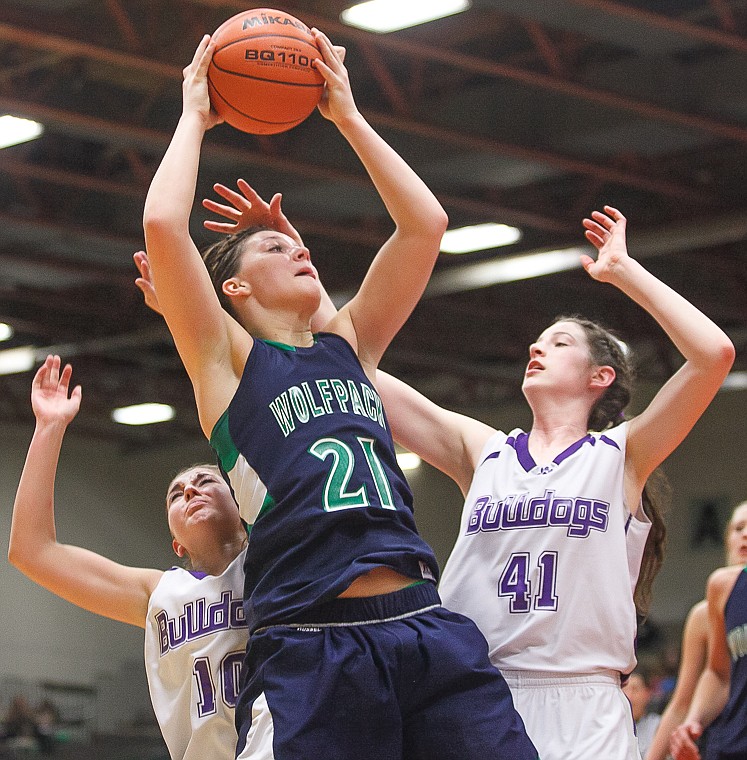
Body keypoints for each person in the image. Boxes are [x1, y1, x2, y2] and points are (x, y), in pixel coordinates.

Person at [189, 186, 734, 759]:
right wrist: (295, 257)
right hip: (466, 684)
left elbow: (713, 354)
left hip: (582, 701)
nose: (536, 346)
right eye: (539, 338)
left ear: (601, 376)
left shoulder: (622, 456)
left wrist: (624, 272)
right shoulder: (481, 450)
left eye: (560, 341)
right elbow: (340, 358)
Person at [142, 28, 536, 760]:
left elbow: (426, 225)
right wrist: (194, 115)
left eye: (301, 247)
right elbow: (164, 226)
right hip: (312, 639)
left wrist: (347, 116)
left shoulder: (349, 345)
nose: (297, 249)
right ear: (231, 287)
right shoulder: (227, 364)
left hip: (423, 623)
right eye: (274, 247)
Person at [7, 355, 254, 760]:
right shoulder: (158, 592)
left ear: (244, 507)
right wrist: (49, 428)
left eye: (206, 480)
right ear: (177, 543)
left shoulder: (278, 560)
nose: (190, 490)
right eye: (177, 494)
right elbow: (32, 550)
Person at [645, 501, 747, 760]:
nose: (745, 534)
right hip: (725, 739)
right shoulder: (719, 593)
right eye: (738, 528)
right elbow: (687, 696)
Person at [624, 670, 662, 758]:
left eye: (635, 689)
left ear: (647, 693)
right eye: (625, 689)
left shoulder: (659, 727)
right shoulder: (610, 727)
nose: (629, 696)